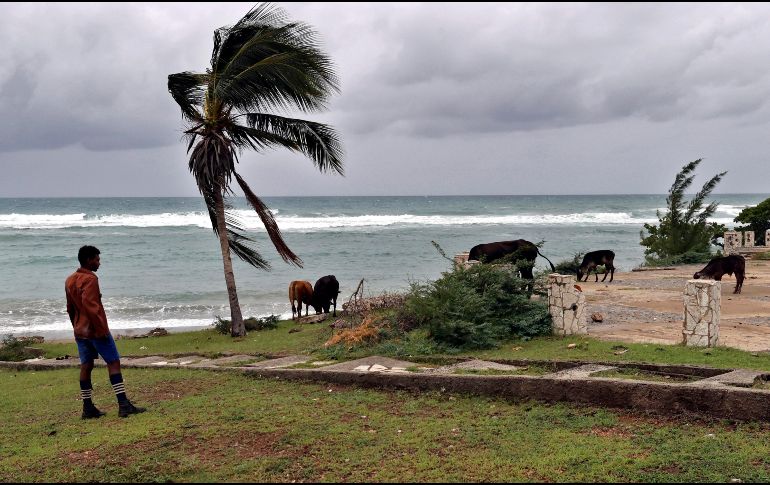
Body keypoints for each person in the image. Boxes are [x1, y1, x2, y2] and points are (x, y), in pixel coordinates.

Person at [65, 245, 146, 419]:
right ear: (88, 260)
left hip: (80, 331)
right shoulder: (91, 279)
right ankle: (123, 405)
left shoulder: (70, 280)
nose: (99, 263)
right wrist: (101, 330)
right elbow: (91, 307)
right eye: (97, 259)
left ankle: (88, 408)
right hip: (95, 330)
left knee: (86, 366)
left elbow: (70, 309)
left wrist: (76, 327)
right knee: (113, 362)